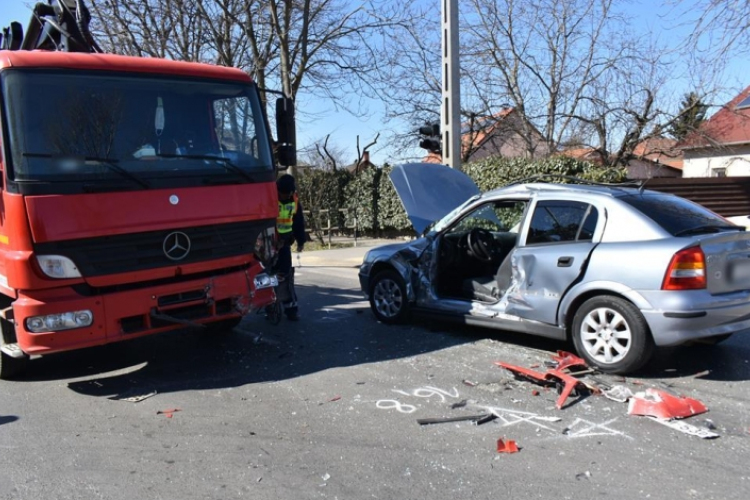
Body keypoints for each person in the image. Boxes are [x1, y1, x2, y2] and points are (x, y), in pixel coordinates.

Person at [274, 173, 305, 321]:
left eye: (288, 194)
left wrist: (300, 241)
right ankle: (271, 305)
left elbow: (298, 221)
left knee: (285, 276)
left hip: (285, 242)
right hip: (269, 243)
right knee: (268, 276)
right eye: (283, 193)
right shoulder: (269, 198)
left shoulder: (294, 200)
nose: (286, 196)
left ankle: (291, 308)